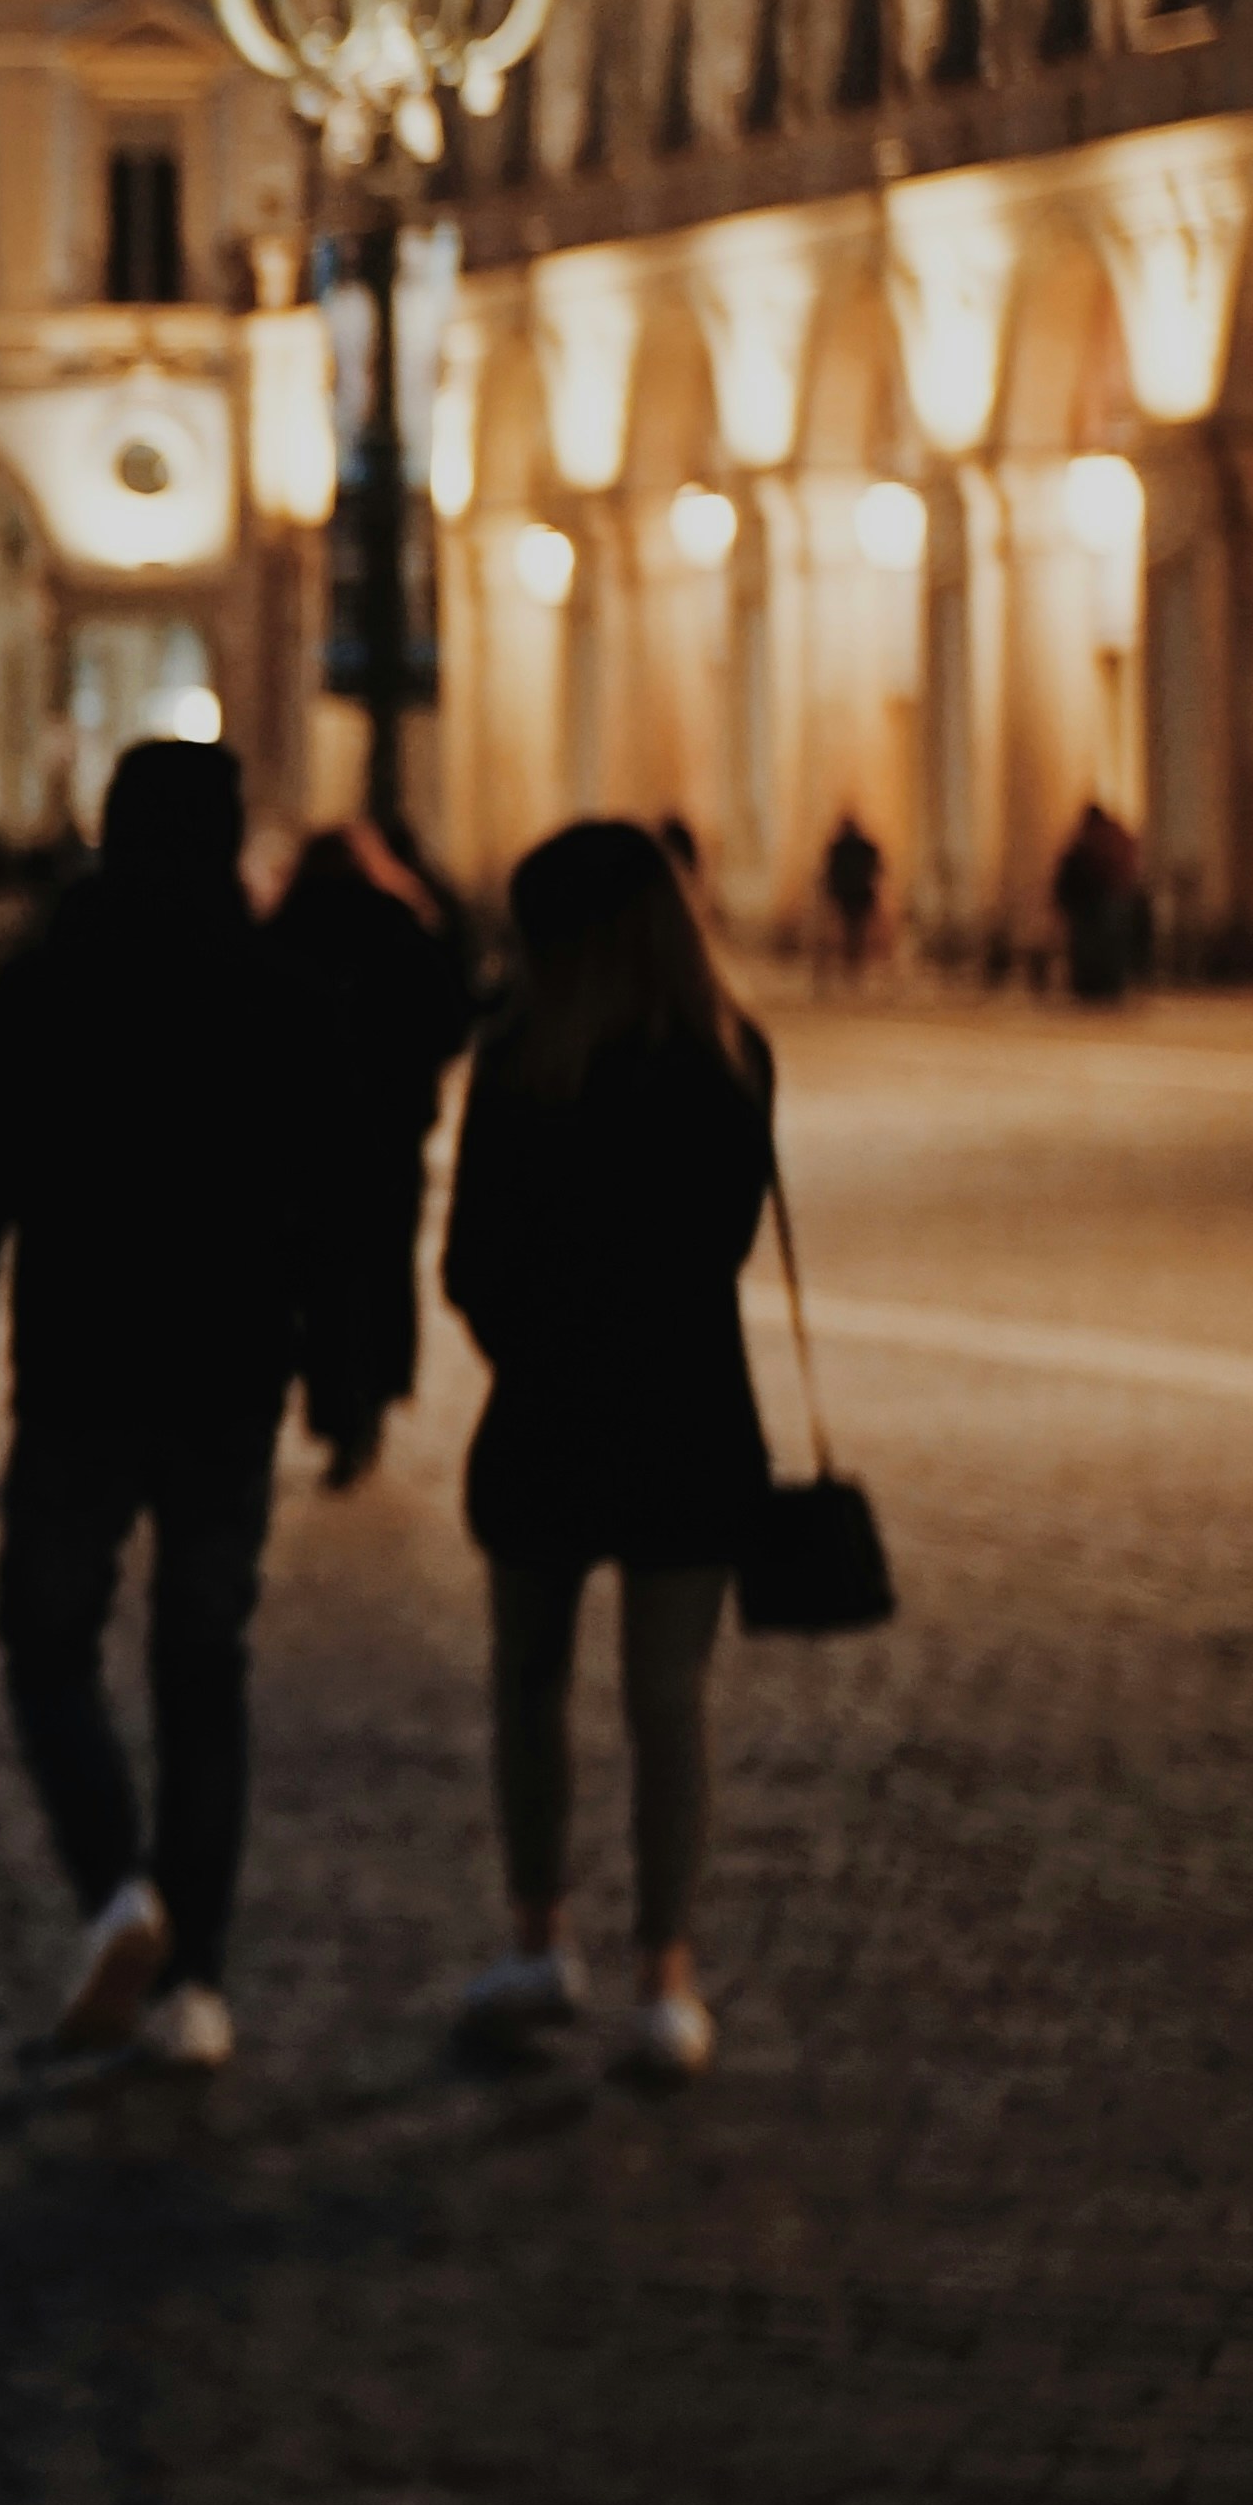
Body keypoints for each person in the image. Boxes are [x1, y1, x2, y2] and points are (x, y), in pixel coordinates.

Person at [0, 736, 316, 2077]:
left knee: (45, 1639)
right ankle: (194, 1976)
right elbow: (328, 1192)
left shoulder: (45, 978)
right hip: (227, 1370)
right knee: (205, 1664)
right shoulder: (268, 985)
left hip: (82, 1363)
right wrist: (344, 1362)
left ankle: (114, 1884)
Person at [438, 819, 777, 2090]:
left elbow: (470, 1260)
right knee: (666, 1698)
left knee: (528, 1679)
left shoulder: (518, 1062)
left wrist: (534, 1338)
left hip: (545, 1413)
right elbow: (726, 1242)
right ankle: (667, 1976)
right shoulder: (732, 1062)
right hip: (689, 1410)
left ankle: (539, 1937)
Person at [267, 819, 477, 1489]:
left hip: (307, 1139)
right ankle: (372, 1401)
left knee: (321, 1277)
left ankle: (335, 1406)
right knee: (382, 1270)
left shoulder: (284, 935)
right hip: (387, 1135)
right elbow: (448, 1022)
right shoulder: (401, 928)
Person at [1050, 799, 1145, 1004]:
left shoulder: (1091, 839)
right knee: (1111, 947)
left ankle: (1094, 989)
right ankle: (1109, 987)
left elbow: (1073, 871)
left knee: (1093, 949)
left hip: (1093, 902)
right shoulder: (1117, 836)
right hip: (1116, 898)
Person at [816, 810, 886, 979]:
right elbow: (878, 868)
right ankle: (853, 962)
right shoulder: (864, 847)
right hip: (859, 894)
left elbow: (829, 871)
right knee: (856, 930)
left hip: (846, 895)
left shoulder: (838, 848)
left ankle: (851, 962)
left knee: (849, 929)